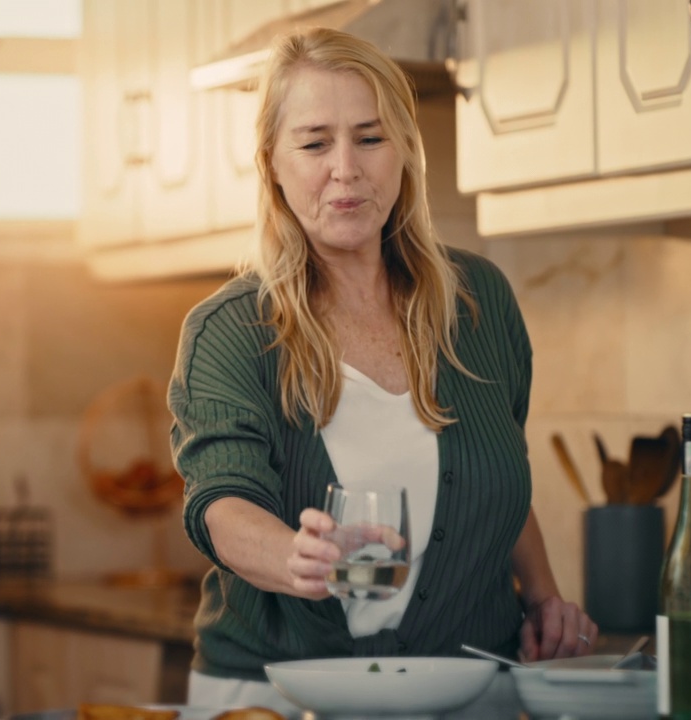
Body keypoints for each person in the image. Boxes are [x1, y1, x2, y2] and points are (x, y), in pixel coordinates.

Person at [168, 27, 599, 709]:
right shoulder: (230, 331)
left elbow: (496, 476)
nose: (346, 168)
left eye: (370, 138)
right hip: (275, 697)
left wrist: (545, 600)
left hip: (467, 690)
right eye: (314, 143)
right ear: (272, 163)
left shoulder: (478, 302)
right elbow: (221, 505)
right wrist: (294, 556)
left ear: (403, 151)